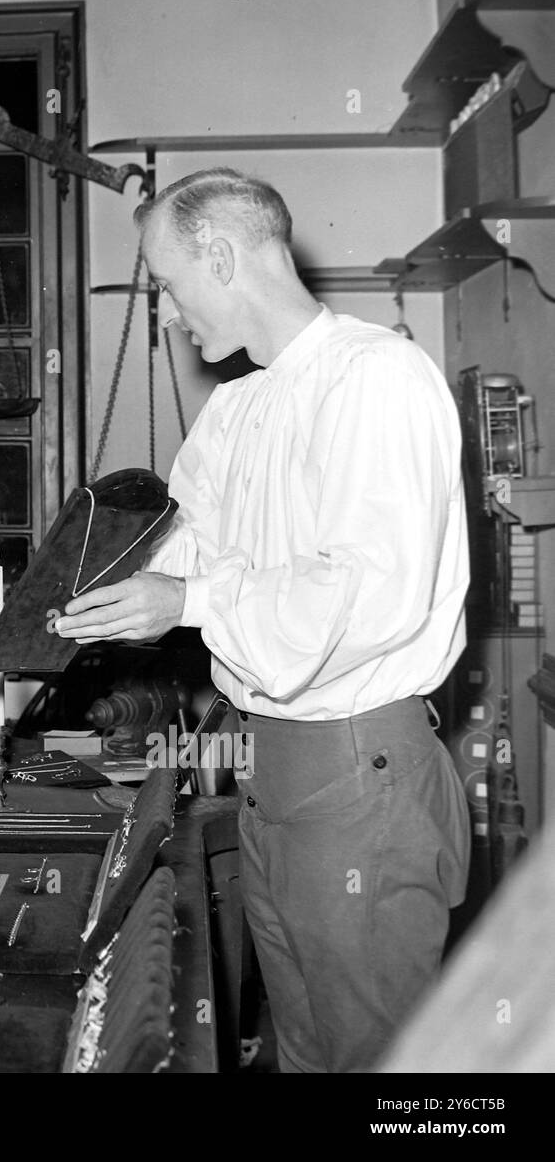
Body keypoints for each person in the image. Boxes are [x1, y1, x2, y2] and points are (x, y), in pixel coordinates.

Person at [56, 168, 471, 1073]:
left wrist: (188, 601)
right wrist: (91, 579)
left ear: (220, 254)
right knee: (305, 1053)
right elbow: (186, 553)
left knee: (383, 1064)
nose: (166, 311)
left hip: (360, 770)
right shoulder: (238, 409)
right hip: (268, 767)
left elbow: (365, 591)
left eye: (167, 281)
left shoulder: (376, 378)